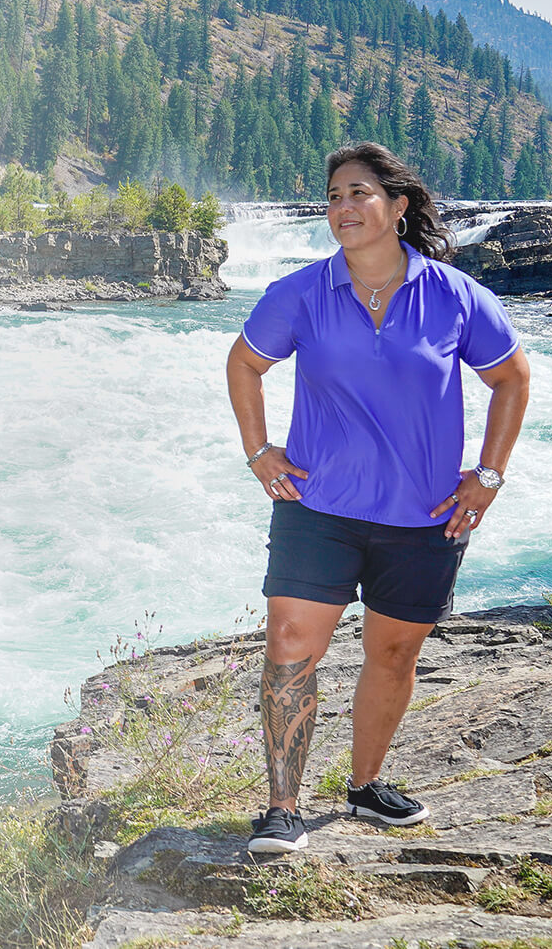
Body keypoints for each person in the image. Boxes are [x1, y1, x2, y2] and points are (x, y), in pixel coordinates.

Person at [224, 141, 532, 854]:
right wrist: (259, 450)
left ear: (397, 207)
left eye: (358, 193)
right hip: (316, 508)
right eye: (333, 196)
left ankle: (364, 788)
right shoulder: (301, 292)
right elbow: (245, 362)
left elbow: (511, 379)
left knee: (392, 658)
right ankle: (281, 807)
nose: (342, 208)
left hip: (423, 517)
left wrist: (488, 475)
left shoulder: (455, 296)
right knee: (290, 648)